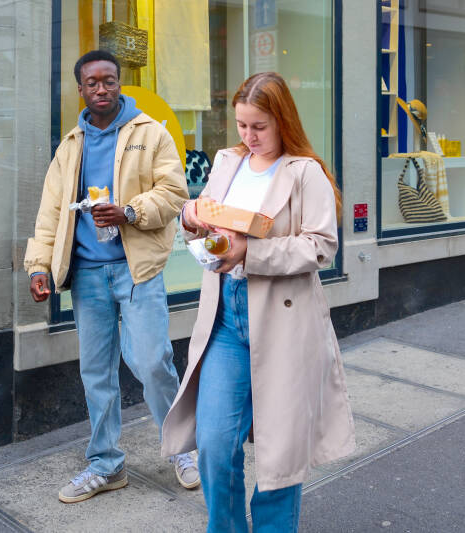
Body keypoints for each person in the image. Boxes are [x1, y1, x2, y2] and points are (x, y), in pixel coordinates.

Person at [161, 72, 356, 532]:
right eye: (242, 125)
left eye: (259, 127)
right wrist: (190, 216)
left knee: (280, 452)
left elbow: (321, 246)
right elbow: (207, 217)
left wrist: (253, 251)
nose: (249, 137)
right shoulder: (228, 161)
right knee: (213, 442)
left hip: (284, 320)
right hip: (226, 317)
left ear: (282, 120)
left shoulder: (305, 171)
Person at [24, 50, 197, 504]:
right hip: (87, 275)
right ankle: (106, 464)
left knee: (152, 361)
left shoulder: (149, 134)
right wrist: (39, 266)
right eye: (92, 83)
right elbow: (49, 214)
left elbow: (175, 191)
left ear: (119, 84)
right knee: (96, 371)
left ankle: (182, 448)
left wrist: (130, 211)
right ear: (80, 89)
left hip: (136, 269)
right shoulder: (70, 146)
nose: (101, 89)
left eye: (109, 81)